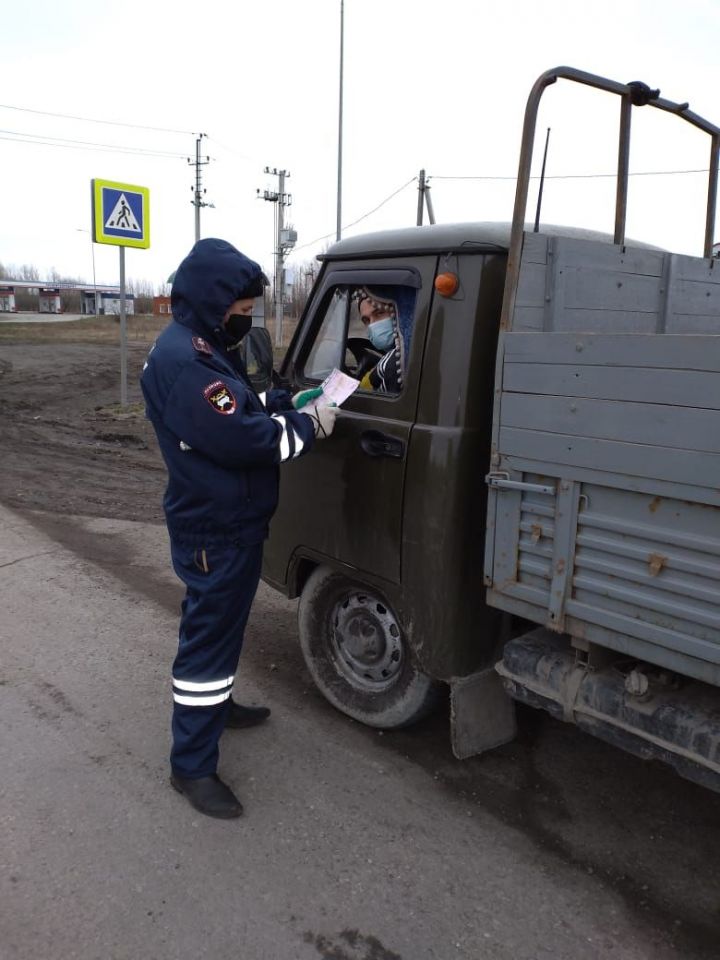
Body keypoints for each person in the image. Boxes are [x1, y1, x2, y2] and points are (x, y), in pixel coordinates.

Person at [141, 237, 337, 819]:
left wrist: (286, 396)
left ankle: (218, 707)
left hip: (229, 521)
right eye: (242, 314)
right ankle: (192, 766)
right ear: (211, 303)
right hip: (215, 529)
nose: (245, 323)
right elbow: (252, 439)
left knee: (220, 630)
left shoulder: (200, 348)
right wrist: (310, 422)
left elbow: (243, 402)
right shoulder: (186, 364)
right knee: (206, 642)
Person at [356, 287, 406, 393]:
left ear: (398, 313)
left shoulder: (394, 365)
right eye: (366, 320)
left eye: (379, 313)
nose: (373, 324)